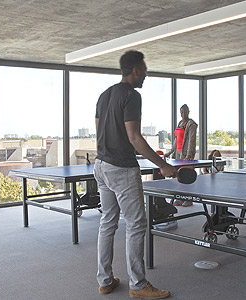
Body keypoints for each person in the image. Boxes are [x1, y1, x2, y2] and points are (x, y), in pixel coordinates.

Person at [94, 50, 175, 299]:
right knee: (136, 224)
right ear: (135, 70)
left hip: (101, 165)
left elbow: (99, 130)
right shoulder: (132, 96)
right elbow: (134, 137)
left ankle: (105, 280)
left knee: (107, 222)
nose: (146, 73)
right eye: (145, 69)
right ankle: (138, 285)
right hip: (122, 168)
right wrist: (162, 165)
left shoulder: (104, 95)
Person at [164, 104, 198, 207]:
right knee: (178, 177)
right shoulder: (179, 123)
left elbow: (192, 140)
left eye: (185, 111)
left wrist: (189, 154)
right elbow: (176, 140)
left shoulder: (191, 124)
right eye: (181, 112)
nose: (183, 114)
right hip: (177, 153)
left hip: (185, 154)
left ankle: (189, 198)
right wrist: (170, 152)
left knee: (187, 177)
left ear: (188, 111)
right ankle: (180, 198)